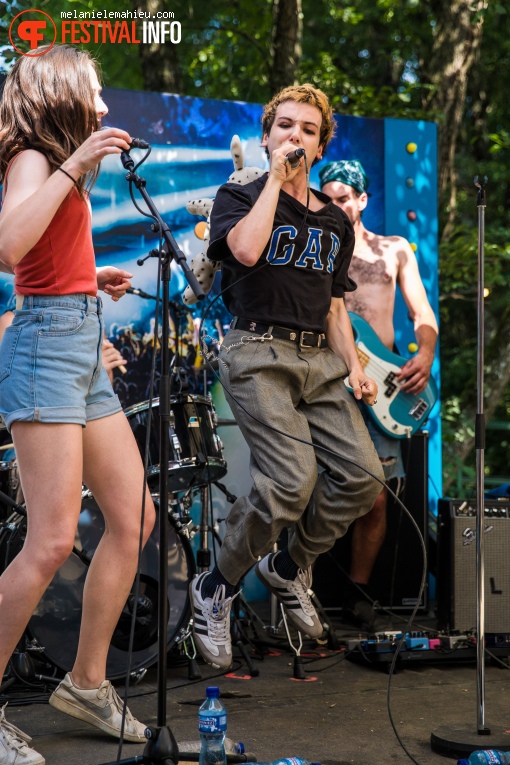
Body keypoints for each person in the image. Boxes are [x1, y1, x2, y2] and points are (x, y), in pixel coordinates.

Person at [189, 84, 385, 671]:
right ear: (267, 134)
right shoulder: (239, 194)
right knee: (292, 481)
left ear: (321, 144)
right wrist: (273, 179)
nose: (294, 136)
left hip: (318, 361)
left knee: (363, 477)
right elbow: (245, 252)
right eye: (284, 126)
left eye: (306, 129)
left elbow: (333, 307)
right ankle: (216, 587)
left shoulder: (333, 222)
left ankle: (287, 564)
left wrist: (354, 368)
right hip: (255, 351)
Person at [0, 45, 155, 764]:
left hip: (78, 337)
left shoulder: (62, 169)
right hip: (45, 347)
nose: (103, 105)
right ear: (61, 94)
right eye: (93, 92)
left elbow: (45, 259)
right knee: (51, 539)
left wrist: (94, 274)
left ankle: (87, 681)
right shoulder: (34, 156)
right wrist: (75, 161)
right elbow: (9, 246)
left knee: (136, 517)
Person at [319, 159, 438, 628]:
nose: (335, 207)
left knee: (379, 498)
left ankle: (358, 594)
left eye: (344, 199)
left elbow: (422, 312)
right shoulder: (316, 251)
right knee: (314, 490)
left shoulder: (395, 250)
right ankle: (302, 595)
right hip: (329, 381)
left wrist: (425, 354)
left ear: (362, 200)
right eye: (327, 199)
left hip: (384, 390)